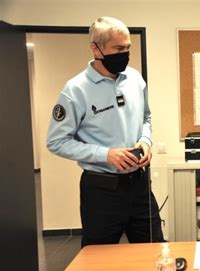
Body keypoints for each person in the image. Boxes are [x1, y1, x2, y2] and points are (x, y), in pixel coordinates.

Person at [47, 17, 164, 249]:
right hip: (101, 190)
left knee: (153, 252)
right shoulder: (75, 90)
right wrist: (106, 154)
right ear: (95, 48)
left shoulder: (135, 79)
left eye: (128, 47)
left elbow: (146, 118)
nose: (125, 53)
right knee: (97, 258)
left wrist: (145, 140)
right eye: (118, 48)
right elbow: (56, 141)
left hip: (139, 185)